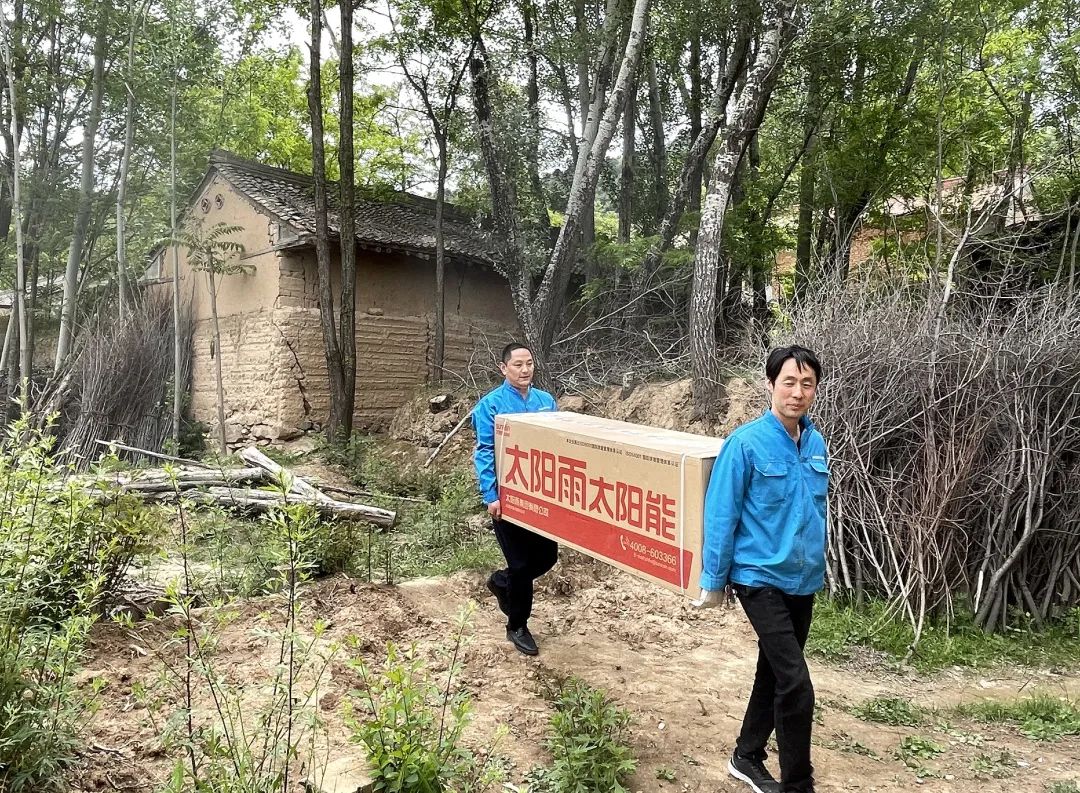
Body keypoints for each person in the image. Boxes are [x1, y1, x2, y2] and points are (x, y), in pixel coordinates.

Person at [695, 345, 828, 793]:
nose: (797, 392)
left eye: (806, 384)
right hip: (758, 578)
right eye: (788, 382)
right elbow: (720, 513)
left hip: (801, 579)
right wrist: (714, 581)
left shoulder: (814, 442)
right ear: (770, 385)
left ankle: (746, 756)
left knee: (773, 672)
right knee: (797, 684)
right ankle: (798, 784)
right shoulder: (745, 443)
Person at [472, 342, 559, 656]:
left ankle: (500, 582)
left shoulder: (546, 401)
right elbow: (484, 452)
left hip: (542, 498)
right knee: (521, 565)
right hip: (510, 499)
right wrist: (491, 495)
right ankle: (517, 626)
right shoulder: (490, 405)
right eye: (518, 365)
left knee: (548, 557)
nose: (525, 370)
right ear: (503, 368)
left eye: (529, 364)